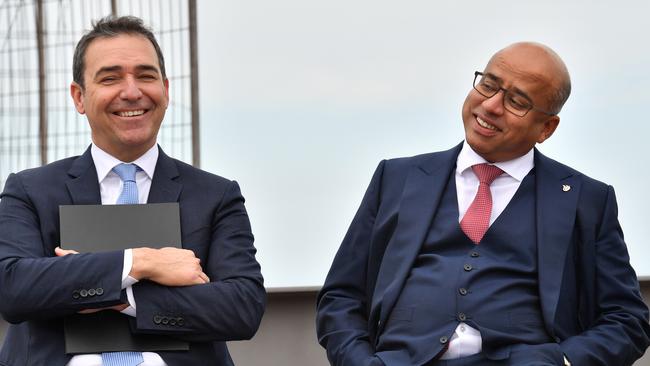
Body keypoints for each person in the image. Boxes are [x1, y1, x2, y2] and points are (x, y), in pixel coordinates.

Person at [316, 42, 650, 365]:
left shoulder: (587, 200)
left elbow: (627, 319)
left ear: (546, 128)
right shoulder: (397, 178)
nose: (491, 105)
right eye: (488, 85)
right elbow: (341, 297)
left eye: (516, 101)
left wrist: (562, 361)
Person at [0, 16, 265, 366]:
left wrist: (118, 295)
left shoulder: (216, 196)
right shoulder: (30, 190)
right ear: (79, 97)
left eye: (145, 75)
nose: (131, 91)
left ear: (166, 91)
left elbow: (242, 307)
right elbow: (14, 288)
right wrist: (142, 262)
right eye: (110, 78)